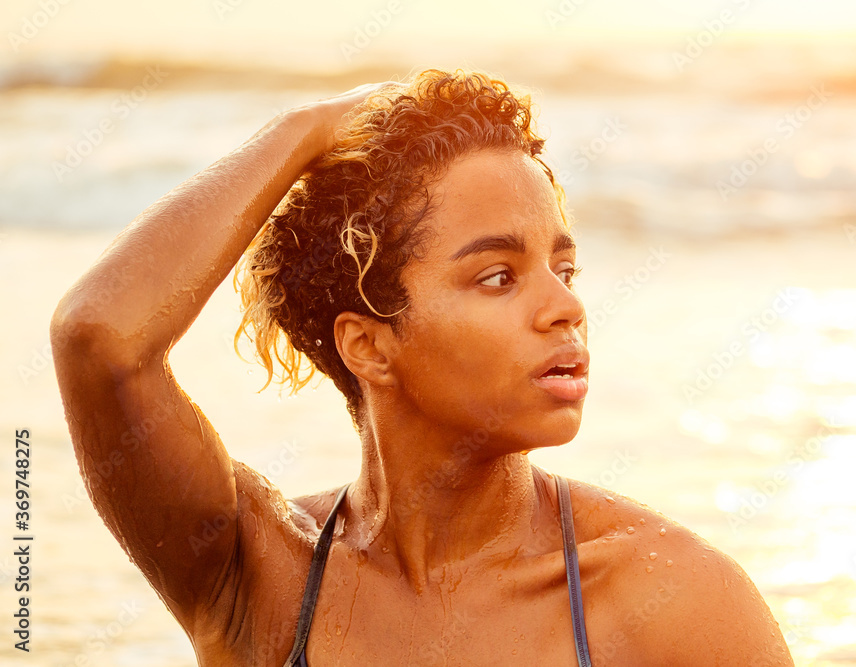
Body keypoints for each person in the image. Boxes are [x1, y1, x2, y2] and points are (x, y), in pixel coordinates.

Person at [51, 69, 794, 665]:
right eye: (498, 276)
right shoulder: (262, 573)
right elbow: (100, 338)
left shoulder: (669, 602)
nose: (564, 306)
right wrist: (307, 129)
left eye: (564, 266)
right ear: (369, 345)